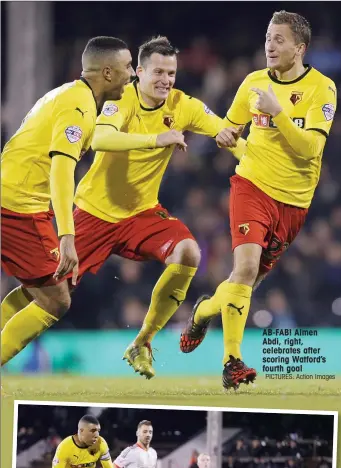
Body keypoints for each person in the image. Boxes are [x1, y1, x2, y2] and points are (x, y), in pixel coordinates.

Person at [180, 10, 337, 389]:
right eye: (268, 37)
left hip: (294, 204)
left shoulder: (322, 88)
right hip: (251, 187)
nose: (270, 44)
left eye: (279, 39)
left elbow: (310, 149)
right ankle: (232, 361)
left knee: (245, 283)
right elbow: (230, 126)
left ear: (300, 48)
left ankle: (203, 311)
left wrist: (278, 112)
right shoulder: (251, 83)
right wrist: (224, 135)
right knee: (246, 270)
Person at [73, 35, 244, 379]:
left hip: (142, 213)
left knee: (189, 253)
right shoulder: (120, 99)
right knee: (48, 294)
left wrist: (240, 148)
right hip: (93, 212)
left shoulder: (183, 105)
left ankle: (142, 342)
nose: (166, 80)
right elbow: (100, 138)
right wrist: (157, 139)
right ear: (138, 72)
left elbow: (228, 133)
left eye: (172, 73)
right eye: (159, 72)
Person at [1, 37, 135, 366]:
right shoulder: (79, 107)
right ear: (107, 72)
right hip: (18, 207)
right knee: (57, 300)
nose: (132, 74)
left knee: (45, 288)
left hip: (16, 199)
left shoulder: (69, 95)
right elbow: (62, 170)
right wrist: (67, 235)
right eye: (128, 67)